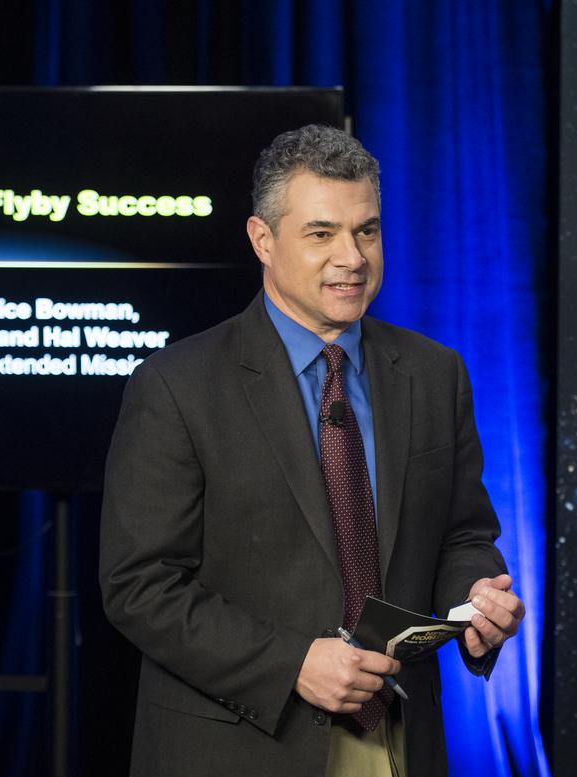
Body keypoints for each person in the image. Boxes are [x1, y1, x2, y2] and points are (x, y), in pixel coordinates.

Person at [100, 124, 524, 777]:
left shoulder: (436, 374)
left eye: (368, 231)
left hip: (397, 742)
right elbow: (140, 585)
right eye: (321, 233)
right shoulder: (177, 386)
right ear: (262, 240)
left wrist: (477, 593)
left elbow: (462, 532)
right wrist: (294, 662)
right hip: (241, 747)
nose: (351, 257)